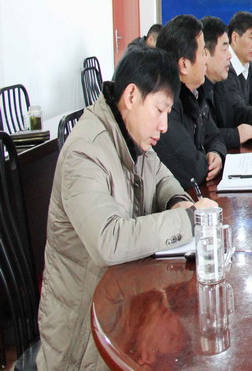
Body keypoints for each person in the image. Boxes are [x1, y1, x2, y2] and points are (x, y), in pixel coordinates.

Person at [36, 48, 218, 370]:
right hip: (83, 336)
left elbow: (163, 178)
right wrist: (189, 219)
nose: (164, 125)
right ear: (132, 96)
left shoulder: (132, 134)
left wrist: (177, 201)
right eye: (159, 110)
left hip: (125, 306)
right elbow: (109, 240)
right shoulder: (86, 152)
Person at [154, 14, 227, 190]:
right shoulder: (166, 105)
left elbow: (215, 136)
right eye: (202, 53)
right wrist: (205, 156)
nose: (206, 60)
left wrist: (216, 153)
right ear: (184, 65)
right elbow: (192, 171)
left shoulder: (195, 93)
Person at [200, 16, 252, 149]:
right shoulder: (197, 90)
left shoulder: (217, 80)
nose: (229, 56)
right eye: (224, 49)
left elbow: (238, 112)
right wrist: (236, 134)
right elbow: (202, 137)